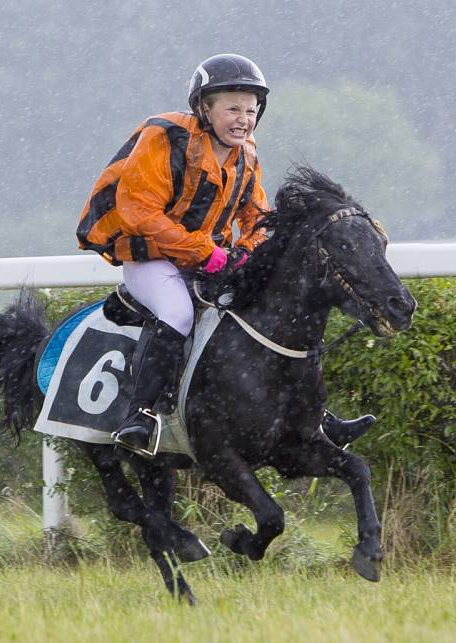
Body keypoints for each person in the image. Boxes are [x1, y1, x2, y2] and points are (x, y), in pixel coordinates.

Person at [76, 53, 374, 455]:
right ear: (204, 108)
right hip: (151, 260)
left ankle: (315, 419)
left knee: (272, 312)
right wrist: (207, 253)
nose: (243, 119)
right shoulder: (162, 138)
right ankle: (141, 415)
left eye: (250, 111)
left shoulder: (247, 154)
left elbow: (257, 218)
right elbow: (139, 212)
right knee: (178, 313)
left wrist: (245, 254)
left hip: (205, 260)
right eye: (232, 108)